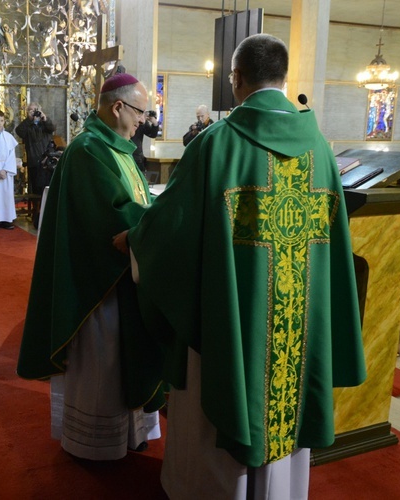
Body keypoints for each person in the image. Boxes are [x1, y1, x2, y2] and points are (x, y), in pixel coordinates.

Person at [117, 34, 366, 498]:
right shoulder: (321, 149)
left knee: (219, 394)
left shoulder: (218, 144)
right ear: (284, 77)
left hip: (230, 325)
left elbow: (172, 228)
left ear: (236, 78)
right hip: (298, 323)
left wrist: (134, 237)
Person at [17, 73, 165, 461]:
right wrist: (159, 223)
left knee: (122, 359)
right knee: (105, 361)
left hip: (123, 279)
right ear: (118, 107)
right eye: (140, 112)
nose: (142, 122)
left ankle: (131, 433)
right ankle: (95, 444)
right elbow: (110, 216)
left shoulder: (115, 147)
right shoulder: (88, 151)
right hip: (100, 288)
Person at [15, 102, 56, 197]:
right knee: (35, 191)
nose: (33, 112)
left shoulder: (44, 124)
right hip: (33, 161)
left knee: (46, 189)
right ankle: (36, 210)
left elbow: (52, 128)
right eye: (31, 110)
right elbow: (19, 131)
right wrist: (29, 120)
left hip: (46, 162)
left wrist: (44, 118)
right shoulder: (27, 126)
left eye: (35, 110)